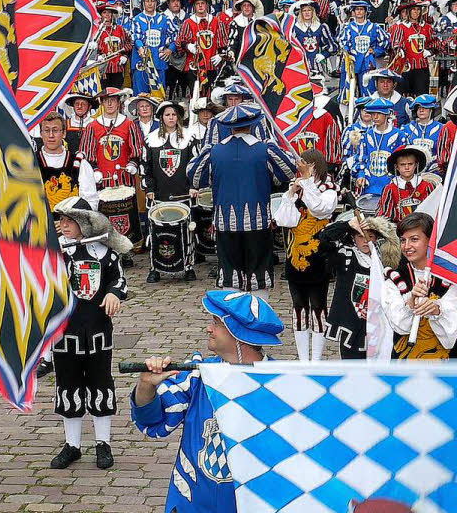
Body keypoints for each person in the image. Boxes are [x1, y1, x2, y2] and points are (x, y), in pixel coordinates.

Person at [130, 290, 284, 513]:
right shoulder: (199, 374)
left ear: (238, 333)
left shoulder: (282, 384)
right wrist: (147, 384)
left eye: (217, 323)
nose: (208, 328)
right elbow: (153, 420)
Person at [49, 196, 129, 471]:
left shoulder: (105, 252)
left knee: (100, 386)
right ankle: (71, 445)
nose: (63, 225)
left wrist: (113, 294)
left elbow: (118, 279)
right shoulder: (57, 251)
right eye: (61, 220)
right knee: (68, 386)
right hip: (65, 334)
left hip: (97, 331)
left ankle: (102, 443)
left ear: (86, 223)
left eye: (70, 220)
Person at [188, 104, 296, 299]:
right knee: (259, 272)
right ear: (253, 124)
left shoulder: (215, 151)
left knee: (230, 273)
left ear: (229, 127)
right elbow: (288, 170)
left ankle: (233, 319)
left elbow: (195, 175)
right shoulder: (264, 149)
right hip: (258, 222)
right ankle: (258, 318)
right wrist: (271, 143)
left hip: (225, 223)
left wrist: (208, 151)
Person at [272, 149, 337, 362]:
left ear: (315, 166)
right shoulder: (297, 189)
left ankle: (316, 359)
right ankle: (302, 359)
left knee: (318, 307)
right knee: (299, 307)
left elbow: (319, 209)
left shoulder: (329, 190)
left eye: (306, 165)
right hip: (295, 258)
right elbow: (284, 220)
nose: (302, 169)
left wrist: (308, 183)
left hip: (319, 257)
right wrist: (290, 195)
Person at [322, 213, 399, 360]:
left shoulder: (385, 261)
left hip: (379, 326)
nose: (365, 241)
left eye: (369, 236)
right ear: (353, 238)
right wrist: (348, 225)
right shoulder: (346, 256)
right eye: (360, 236)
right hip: (352, 327)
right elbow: (323, 240)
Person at [382, 212, 457, 360]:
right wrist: (410, 302)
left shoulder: (450, 279)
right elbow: (399, 326)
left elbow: (451, 336)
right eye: (403, 240)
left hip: (446, 370)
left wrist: (436, 309)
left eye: (414, 239)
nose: (407, 246)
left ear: (431, 241)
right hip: (406, 368)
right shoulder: (395, 280)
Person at [141, 101, 199, 284]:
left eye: (174, 115)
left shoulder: (189, 138)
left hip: (183, 193)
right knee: (156, 232)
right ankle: (155, 268)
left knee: (186, 232)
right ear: (161, 118)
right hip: (159, 195)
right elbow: (146, 167)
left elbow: (195, 165)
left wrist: (194, 186)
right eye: (167, 115)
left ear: (179, 118)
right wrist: (148, 188)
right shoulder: (151, 140)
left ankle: (188, 266)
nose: (171, 118)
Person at [78, 87, 144, 189]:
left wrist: (133, 164)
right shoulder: (92, 126)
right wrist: (94, 170)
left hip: (124, 181)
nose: (109, 104)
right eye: (106, 101)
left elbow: (136, 150)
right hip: (101, 181)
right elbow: (87, 153)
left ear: (118, 103)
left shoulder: (129, 124)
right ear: (102, 103)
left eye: (112, 100)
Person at [36, 111, 98, 212]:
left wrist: (68, 221)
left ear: (64, 133)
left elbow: (91, 202)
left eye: (55, 130)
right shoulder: (31, 163)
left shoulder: (79, 164)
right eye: (47, 130)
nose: (51, 135)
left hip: (71, 224)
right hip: (42, 225)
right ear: (41, 133)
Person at [352, 96, 404, 199]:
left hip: (392, 186)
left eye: (379, 113)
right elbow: (361, 160)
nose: (375, 117)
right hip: (370, 186)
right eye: (373, 113)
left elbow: (403, 160)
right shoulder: (366, 136)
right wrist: (361, 175)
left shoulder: (399, 135)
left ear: (386, 114)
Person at [176, 0, 227, 97]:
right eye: (197, 4)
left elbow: (223, 43)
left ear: (207, 5)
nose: (200, 6)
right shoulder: (188, 22)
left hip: (212, 65)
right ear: (194, 6)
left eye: (202, 3)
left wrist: (220, 56)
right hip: (194, 66)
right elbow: (180, 42)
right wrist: (188, 46)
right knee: (195, 95)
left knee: (211, 96)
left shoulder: (216, 22)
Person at [338, 1, 390, 98]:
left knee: (368, 91)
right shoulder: (347, 28)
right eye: (357, 9)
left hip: (367, 64)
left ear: (366, 11)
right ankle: (348, 113)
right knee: (348, 92)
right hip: (351, 63)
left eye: (361, 9)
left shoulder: (374, 27)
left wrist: (375, 51)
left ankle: (368, 112)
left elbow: (385, 42)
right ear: (353, 12)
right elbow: (342, 43)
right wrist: (347, 52)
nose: (359, 12)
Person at [130, 0, 176, 96]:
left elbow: (176, 35)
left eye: (152, 1)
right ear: (143, 3)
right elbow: (135, 36)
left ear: (156, 3)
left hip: (158, 62)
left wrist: (170, 49)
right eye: (147, 1)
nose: (150, 4)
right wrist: (140, 48)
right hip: (141, 63)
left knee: (158, 95)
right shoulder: (136, 19)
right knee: (141, 94)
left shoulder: (164, 19)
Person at [377, 146, 437, 225]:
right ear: (396, 167)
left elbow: (435, 211)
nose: (407, 167)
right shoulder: (390, 189)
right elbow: (385, 217)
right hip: (398, 232)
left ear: (416, 165)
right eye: (402, 164)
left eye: (410, 164)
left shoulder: (428, 186)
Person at [391, 2, 435, 96]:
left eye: (418, 9)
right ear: (408, 11)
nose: (416, 12)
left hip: (422, 68)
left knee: (422, 96)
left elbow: (435, 42)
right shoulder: (400, 27)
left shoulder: (427, 27)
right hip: (405, 68)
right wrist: (400, 50)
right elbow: (396, 43)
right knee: (404, 96)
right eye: (414, 10)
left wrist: (430, 51)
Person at [290, 0, 335, 76]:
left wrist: (323, 55)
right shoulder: (294, 28)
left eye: (309, 10)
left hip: (318, 67)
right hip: (300, 67)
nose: (307, 13)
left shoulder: (321, 27)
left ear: (313, 12)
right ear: (300, 13)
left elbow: (332, 46)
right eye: (304, 11)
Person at [400, 94, 442, 171]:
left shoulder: (441, 128)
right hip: (411, 171)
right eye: (418, 108)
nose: (421, 110)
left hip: (434, 171)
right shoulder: (406, 128)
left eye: (424, 107)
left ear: (431, 109)